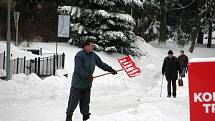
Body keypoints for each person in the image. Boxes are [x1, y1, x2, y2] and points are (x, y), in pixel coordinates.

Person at [66, 40, 117, 121]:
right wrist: (87, 75)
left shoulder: (93, 55)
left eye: (93, 45)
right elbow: (78, 69)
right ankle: (69, 117)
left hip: (87, 84)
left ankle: (86, 118)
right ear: (86, 46)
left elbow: (100, 63)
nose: (93, 47)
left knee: (85, 103)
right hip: (77, 84)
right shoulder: (79, 55)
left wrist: (110, 69)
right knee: (73, 102)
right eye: (92, 45)